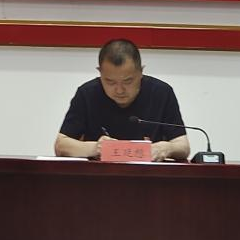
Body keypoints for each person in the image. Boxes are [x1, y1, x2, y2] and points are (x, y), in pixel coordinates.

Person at [54, 39, 190, 161]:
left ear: (141, 72)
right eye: (110, 82)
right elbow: (61, 145)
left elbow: (183, 146)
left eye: (128, 81)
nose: (119, 90)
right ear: (100, 72)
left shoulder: (161, 93)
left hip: (148, 176)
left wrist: (166, 148)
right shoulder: (87, 94)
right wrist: (95, 148)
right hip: (99, 176)